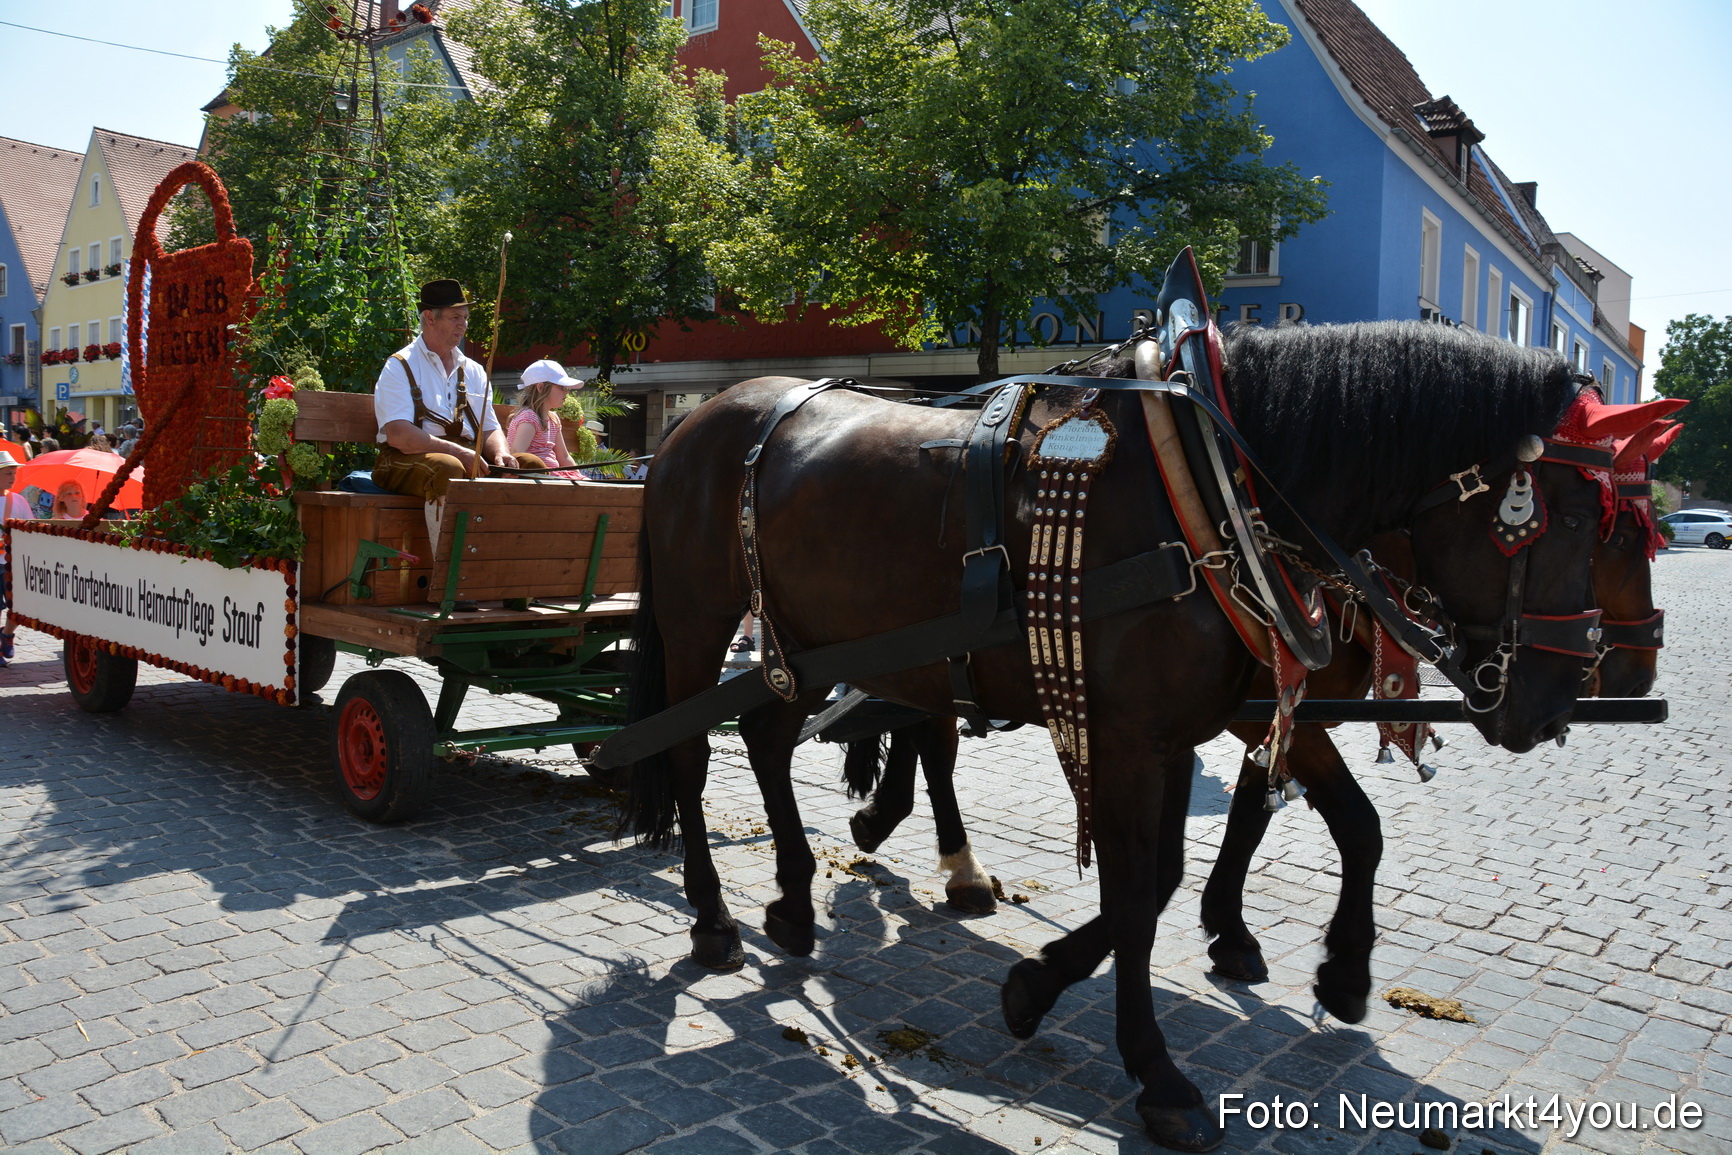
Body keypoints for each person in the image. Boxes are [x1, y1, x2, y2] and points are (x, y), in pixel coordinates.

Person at [372, 279, 518, 501]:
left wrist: (501, 454)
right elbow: (400, 436)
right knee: (449, 467)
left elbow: (489, 428)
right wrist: (458, 452)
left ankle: (510, 536)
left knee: (528, 465)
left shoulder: (474, 370)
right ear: (430, 318)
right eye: (455, 318)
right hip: (404, 459)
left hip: (464, 457)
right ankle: (447, 536)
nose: (463, 325)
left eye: (465, 318)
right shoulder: (400, 365)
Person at [507, 359, 585, 478]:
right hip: (538, 478)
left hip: (554, 477)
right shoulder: (529, 418)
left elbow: (564, 456)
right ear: (541, 387)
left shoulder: (553, 418)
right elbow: (517, 456)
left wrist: (580, 478)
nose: (567, 392)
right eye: (561, 387)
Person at [0, 451, 29, 665]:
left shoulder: (18, 500)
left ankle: (7, 635)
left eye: (14, 473)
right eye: (8, 473)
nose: (12, 477)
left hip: (12, 562)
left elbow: (30, 528)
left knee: (19, 606)